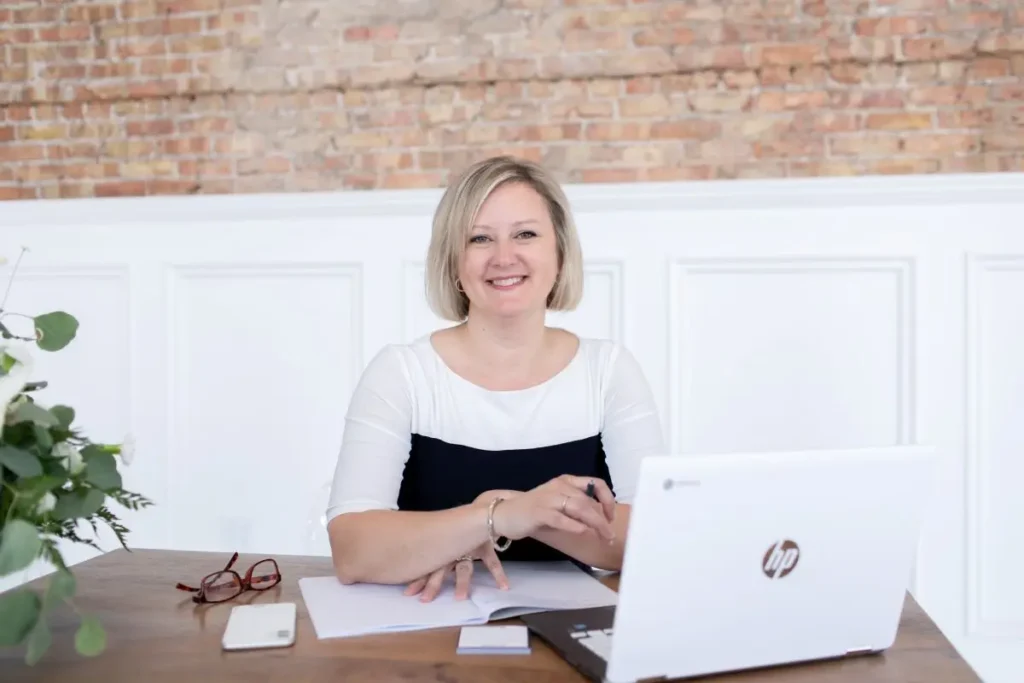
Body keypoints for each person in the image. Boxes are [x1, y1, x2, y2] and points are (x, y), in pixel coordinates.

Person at [325, 155, 665, 603]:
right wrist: (498, 516)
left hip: (569, 624)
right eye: (480, 238)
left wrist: (526, 513)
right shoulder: (401, 372)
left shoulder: (610, 370)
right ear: (454, 264)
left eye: (525, 234)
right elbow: (353, 550)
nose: (504, 257)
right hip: (427, 626)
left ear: (559, 253)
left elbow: (657, 536)